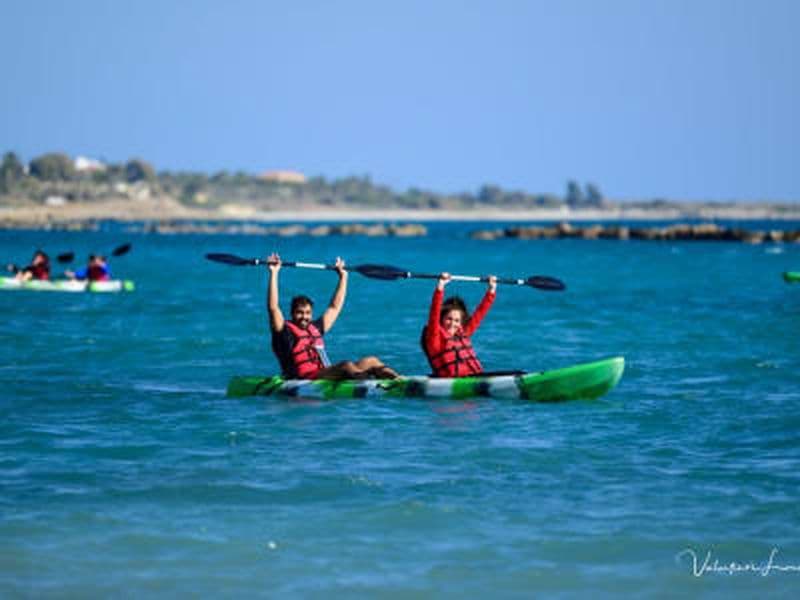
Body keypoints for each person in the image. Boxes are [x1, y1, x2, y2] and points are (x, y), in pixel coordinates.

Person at [266, 253, 399, 381]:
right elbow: (273, 307)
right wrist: (274, 273)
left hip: (325, 373)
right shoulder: (284, 332)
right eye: (300, 312)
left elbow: (334, 307)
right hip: (306, 378)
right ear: (292, 313)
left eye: (307, 313)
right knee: (346, 365)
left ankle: (399, 380)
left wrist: (343, 278)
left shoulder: (315, 329)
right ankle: (370, 385)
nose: (304, 317)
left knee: (371, 361)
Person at [421, 272, 497, 377]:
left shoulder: (463, 333)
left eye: (457, 320)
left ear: (461, 323)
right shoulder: (435, 339)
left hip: (475, 376)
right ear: (441, 320)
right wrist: (441, 286)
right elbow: (434, 312)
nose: (452, 323)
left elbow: (480, 314)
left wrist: (491, 290)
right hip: (451, 381)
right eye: (449, 319)